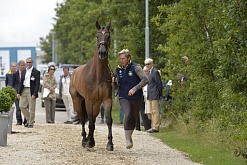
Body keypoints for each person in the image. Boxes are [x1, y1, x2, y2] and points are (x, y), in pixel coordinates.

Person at [113, 49, 148, 149]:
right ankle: (127, 139)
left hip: (136, 97)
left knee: (133, 117)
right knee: (127, 114)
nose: (121, 60)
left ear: (128, 58)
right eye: (120, 58)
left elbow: (145, 79)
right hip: (123, 96)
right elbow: (114, 86)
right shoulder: (117, 69)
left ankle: (130, 136)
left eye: (123, 58)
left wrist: (135, 88)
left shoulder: (136, 67)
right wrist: (113, 82)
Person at [17, 57, 40, 128]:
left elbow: (37, 84)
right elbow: (21, 82)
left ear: (32, 63)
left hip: (31, 91)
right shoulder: (24, 71)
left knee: (32, 107)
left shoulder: (36, 72)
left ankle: (31, 123)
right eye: (27, 62)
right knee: (22, 106)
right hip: (24, 90)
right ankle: (30, 119)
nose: (28, 64)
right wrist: (18, 92)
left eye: (30, 62)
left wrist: (34, 93)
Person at [144, 58, 163, 133]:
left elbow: (159, 83)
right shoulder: (149, 72)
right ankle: (153, 126)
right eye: (146, 64)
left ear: (151, 64)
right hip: (150, 94)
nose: (147, 65)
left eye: (148, 64)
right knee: (152, 111)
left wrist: (160, 93)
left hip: (154, 93)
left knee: (155, 110)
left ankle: (156, 127)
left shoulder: (155, 72)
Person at [12, 60, 27, 125]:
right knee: (18, 108)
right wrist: (16, 92)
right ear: (19, 66)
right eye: (21, 65)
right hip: (17, 92)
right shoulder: (15, 74)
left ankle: (26, 120)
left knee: (25, 107)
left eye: (23, 65)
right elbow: (13, 84)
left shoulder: (27, 73)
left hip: (25, 93)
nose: (22, 66)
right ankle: (19, 120)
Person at [141, 66, 151, 131]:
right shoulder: (141, 78)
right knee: (143, 111)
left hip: (148, 96)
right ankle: (146, 126)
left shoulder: (150, 77)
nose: (145, 73)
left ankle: (150, 125)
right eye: (144, 71)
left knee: (149, 111)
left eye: (147, 71)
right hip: (142, 96)